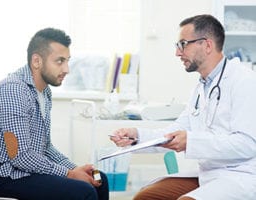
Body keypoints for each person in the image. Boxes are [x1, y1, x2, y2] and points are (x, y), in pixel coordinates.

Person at [110, 14, 256, 200]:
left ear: (207, 45)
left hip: (240, 177)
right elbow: (176, 131)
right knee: (145, 197)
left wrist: (191, 141)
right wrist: (136, 136)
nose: (178, 53)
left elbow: (247, 145)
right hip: (207, 175)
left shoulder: (245, 81)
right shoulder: (202, 86)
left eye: (183, 44)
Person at [0, 28, 109, 200]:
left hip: (23, 172)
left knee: (99, 179)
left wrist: (75, 169)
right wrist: (70, 174)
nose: (67, 69)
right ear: (37, 61)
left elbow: (46, 147)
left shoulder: (44, 92)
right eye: (59, 61)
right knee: (83, 192)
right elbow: (20, 156)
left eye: (67, 61)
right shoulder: (13, 92)